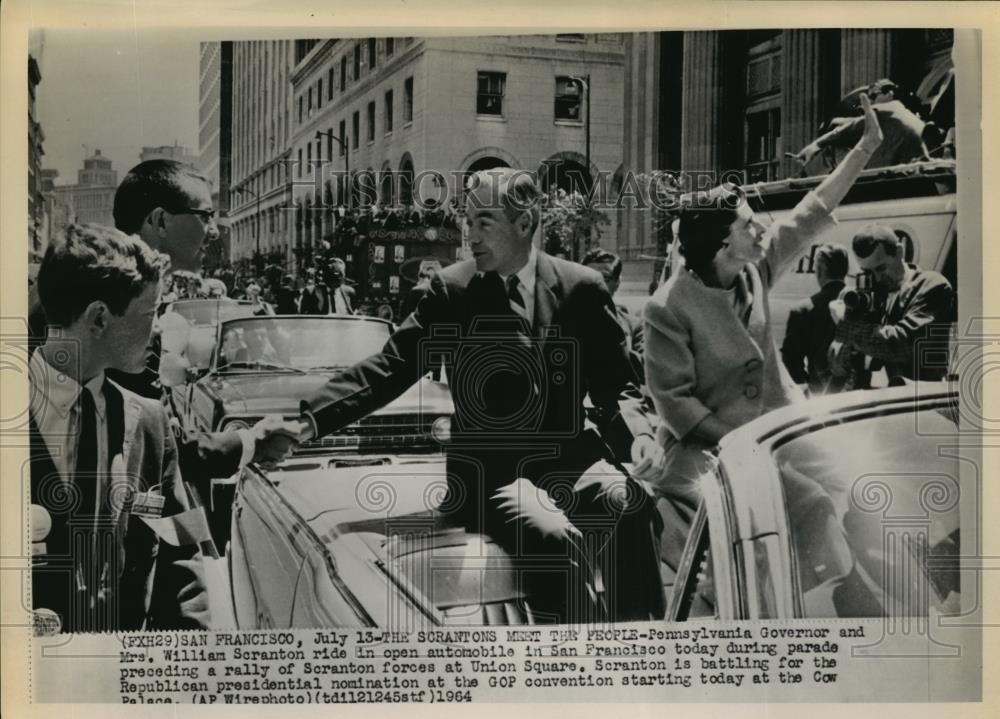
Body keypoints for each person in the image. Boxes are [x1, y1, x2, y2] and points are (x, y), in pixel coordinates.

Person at [284, 168, 666, 622]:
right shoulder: (453, 290)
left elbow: (616, 385)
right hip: (492, 473)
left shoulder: (580, 287)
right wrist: (307, 422)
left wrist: (640, 434)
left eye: (484, 221)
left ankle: (640, 655)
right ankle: (567, 666)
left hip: (571, 460)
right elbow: (392, 365)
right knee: (550, 533)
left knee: (632, 507)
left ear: (525, 224)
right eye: (468, 221)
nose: (470, 235)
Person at [640, 92, 884, 567]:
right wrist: (746, 441)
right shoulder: (666, 307)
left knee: (860, 483)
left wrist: (866, 147)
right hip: (712, 447)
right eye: (749, 225)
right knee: (787, 517)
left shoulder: (754, 270)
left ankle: (866, 585)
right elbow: (677, 406)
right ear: (721, 241)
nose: (761, 231)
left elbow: (812, 210)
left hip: (784, 427)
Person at [29, 224, 211, 632]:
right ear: (99, 318)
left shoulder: (148, 420)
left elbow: (180, 552)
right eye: (150, 313)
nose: (158, 329)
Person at [109, 159, 303, 489]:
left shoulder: (129, 288)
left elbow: (155, 441)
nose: (213, 232)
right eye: (204, 216)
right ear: (160, 221)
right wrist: (251, 441)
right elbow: (139, 450)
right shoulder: (114, 297)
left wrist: (249, 442)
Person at [829, 223, 954, 383]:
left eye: (881, 268)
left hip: (914, 398)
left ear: (899, 252)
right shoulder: (868, 295)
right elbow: (837, 366)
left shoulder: (931, 285)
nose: (877, 278)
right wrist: (849, 319)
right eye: (867, 272)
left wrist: (846, 326)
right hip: (872, 399)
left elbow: (902, 344)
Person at [780, 243, 867, 394]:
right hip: (858, 397)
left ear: (820, 270)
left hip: (820, 397)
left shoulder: (802, 310)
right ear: (846, 270)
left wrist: (807, 392)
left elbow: (791, 361)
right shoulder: (863, 303)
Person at [791, 79, 928, 171]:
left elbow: (844, 130)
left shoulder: (886, 109)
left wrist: (814, 146)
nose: (872, 102)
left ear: (889, 94)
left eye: (874, 96)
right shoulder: (903, 114)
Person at [581, 248, 644, 384]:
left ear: (617, 283)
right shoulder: (561, 320)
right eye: (588, 278)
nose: (596, 285)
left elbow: (647, 368)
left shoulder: (634, 325)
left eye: (605, 279)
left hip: (623, 402)